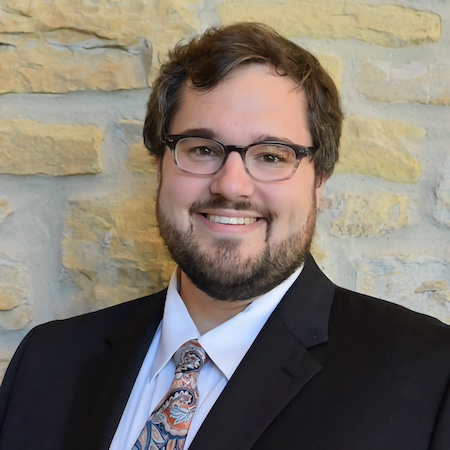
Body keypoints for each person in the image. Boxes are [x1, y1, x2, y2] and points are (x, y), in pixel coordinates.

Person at [0, 22, 449, 450]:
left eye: (272, 156)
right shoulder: (47, 362)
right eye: (201, 149)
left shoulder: (429, 377)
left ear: (321, 180)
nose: (231, 185)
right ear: (159, 165)